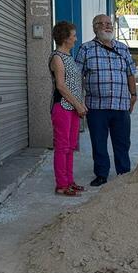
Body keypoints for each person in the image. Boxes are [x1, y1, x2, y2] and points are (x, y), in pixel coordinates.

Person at [75, 14, 137, 187]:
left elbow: (130, 73)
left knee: (122, 143)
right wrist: (79, 102)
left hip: (120, 105)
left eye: (109, 24)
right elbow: (77, 76)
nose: (106, 26)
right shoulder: (85, 49)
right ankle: (101, 174)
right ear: (94, 28)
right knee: (99, 143)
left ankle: (123, 173)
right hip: (96, 107)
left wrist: (134, 95)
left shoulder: (123, 49)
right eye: (101, 24)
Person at [48, 21, 87, 196]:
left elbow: (75, 85)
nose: (76, 38)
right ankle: (62, 185)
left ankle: (69, 181)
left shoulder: (69, 57)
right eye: (73, 35)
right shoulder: (57, 57)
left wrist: (80, 103)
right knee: (62, 147)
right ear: (65, 38)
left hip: (72, 108)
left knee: (71, 147)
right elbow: (61, 86)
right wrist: (78, 104)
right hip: (62, 107)